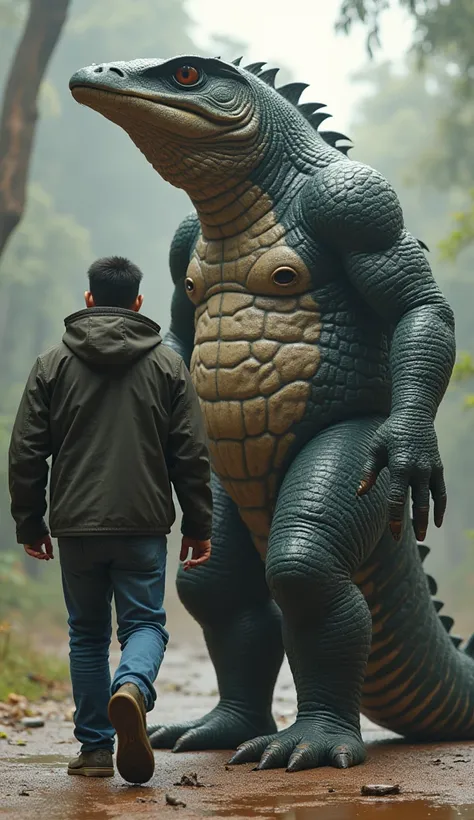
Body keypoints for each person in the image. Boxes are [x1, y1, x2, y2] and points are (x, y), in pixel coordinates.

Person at [8, 256, 213, 785]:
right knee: (144, 624)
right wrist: (199, 524)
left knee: (87, 634)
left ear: (90, 300)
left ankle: (96, 749)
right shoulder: (168, 367)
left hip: (75, 524)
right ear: (139, 303)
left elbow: (27, 452)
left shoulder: (51, 365)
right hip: (143, 523)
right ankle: (134, 689)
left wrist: (30, 523)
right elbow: (190, 453)